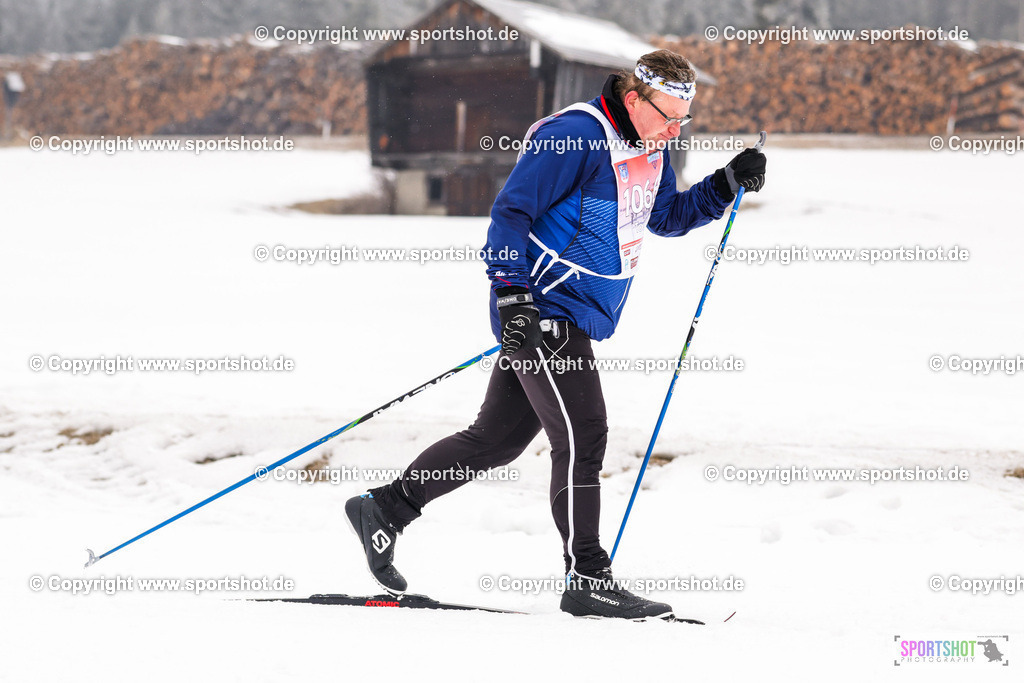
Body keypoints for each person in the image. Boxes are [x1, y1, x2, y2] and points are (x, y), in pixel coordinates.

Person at [346, 49, 767, 620]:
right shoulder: (575, 136)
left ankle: (386, 509)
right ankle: (587, 577)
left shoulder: (651, 145)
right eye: (665, 115)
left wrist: (723, 184)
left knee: (494, 440)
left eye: (682, 120)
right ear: (632, 96)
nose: (672, 129)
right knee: (585, 433)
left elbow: (662, 216)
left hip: (574, 312)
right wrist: (511, 294)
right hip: (543, 310)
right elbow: (509, 214)